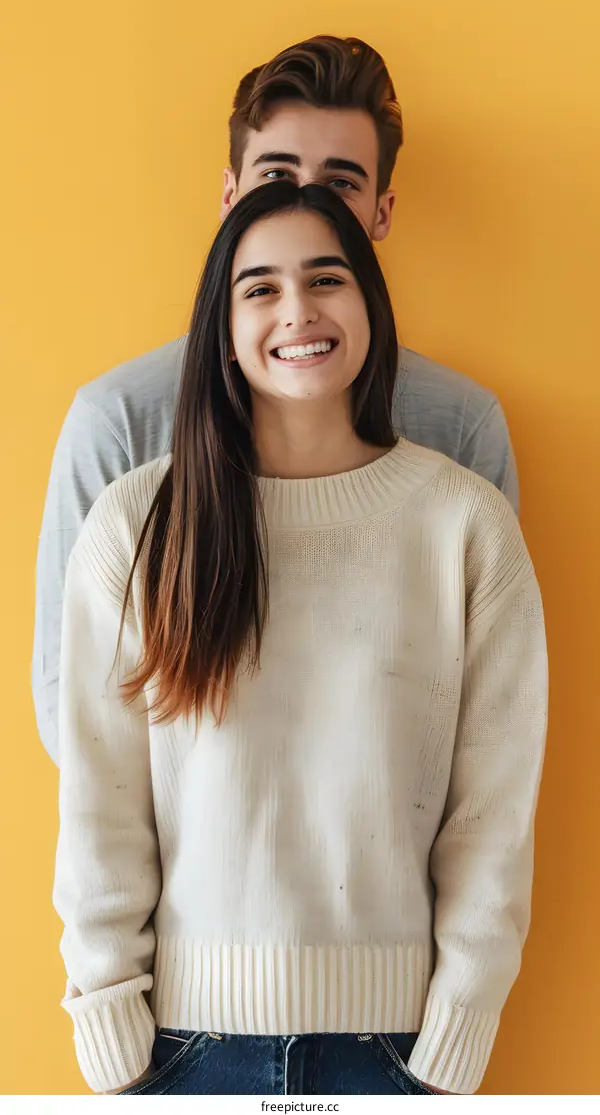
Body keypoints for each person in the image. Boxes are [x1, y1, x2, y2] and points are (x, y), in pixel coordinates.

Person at [53, 181, 547, 1096]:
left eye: (327, 279)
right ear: (223, 321)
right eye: (260, 288)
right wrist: (111, 1033)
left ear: (370, 301)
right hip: (177, 1049)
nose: (298, 312)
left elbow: (493, 813)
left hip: (397, 1053)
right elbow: (100, 801)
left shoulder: (464, 526)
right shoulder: (140, 525)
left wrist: (453, 1043)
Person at [34, 34, 519, 768]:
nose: (306, 202)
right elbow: (73, 709)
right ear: (230, 194)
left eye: (341, 184)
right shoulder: (120, 421)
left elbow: (488, 715)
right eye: (276, 175)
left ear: (382, 211)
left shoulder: (460, 426)